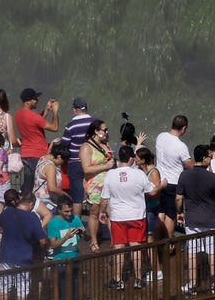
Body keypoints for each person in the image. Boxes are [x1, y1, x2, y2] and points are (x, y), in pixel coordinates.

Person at [176, 142, 215, 290]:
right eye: (210, 157)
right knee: (213, 252)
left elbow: (178, 198)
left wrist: (179, 212)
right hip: (211, 220)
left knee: (192, 252)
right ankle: (214, 284)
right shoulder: (213, 178)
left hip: (192, 220)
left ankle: (192, 284)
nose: (211, 159)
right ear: (204, 159)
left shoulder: (184, 175)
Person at [102, 148, 155, 289]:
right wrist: (162, 184)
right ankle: (138, 279)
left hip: (118, 216)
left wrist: (102, 212)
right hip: (137, 215)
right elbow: (151, 191)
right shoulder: (139, 174)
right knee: (135, 246)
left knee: (119, 247)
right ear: (131, 159)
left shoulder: (110, 174)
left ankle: (118, 280)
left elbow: (104, 198)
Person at [0, 190, 49, 300]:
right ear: (31, 204)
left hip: (6, 256)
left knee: (4, 287)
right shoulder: (32, 218)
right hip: (23, 258)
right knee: (22, 288)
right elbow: (42, 241)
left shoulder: (7, 212)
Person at [12, 89, 58, 196]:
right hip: (37, 154)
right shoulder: (34, 116)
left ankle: (21, 202)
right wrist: (55, 111)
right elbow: (54, 127)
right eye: (35, 99)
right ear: (28, 101)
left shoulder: (19, 114)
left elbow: (36, 123)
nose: (37, 101)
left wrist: (46, 110)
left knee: (28, 183)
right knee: (38, 184)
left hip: (26, 153)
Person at [79, 118, 113, 249]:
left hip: (109, 182)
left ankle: (114, 241)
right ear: (96, 131)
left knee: (111, 211)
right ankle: (94, 242)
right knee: (95, 212)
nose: (106, 132)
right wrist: (106, 166)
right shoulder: (86, 147)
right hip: (95, 184)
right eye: (104, 130)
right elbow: (86, 169)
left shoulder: (106, 144)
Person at [60, 97, 97, 210]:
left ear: (75, 109)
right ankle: (97, 223)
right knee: (96, 194)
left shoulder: (71, 125)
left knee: (77, 198)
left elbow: (64, 145)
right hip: (93, 163)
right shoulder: (95, 123)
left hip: (75, 163)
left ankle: (77, 226)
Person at [154, 114, 191, 191]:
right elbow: (189, 165)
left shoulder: (160, 136)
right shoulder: (181, 145)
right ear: (183, 128)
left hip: (160, 180)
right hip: (174, 183)